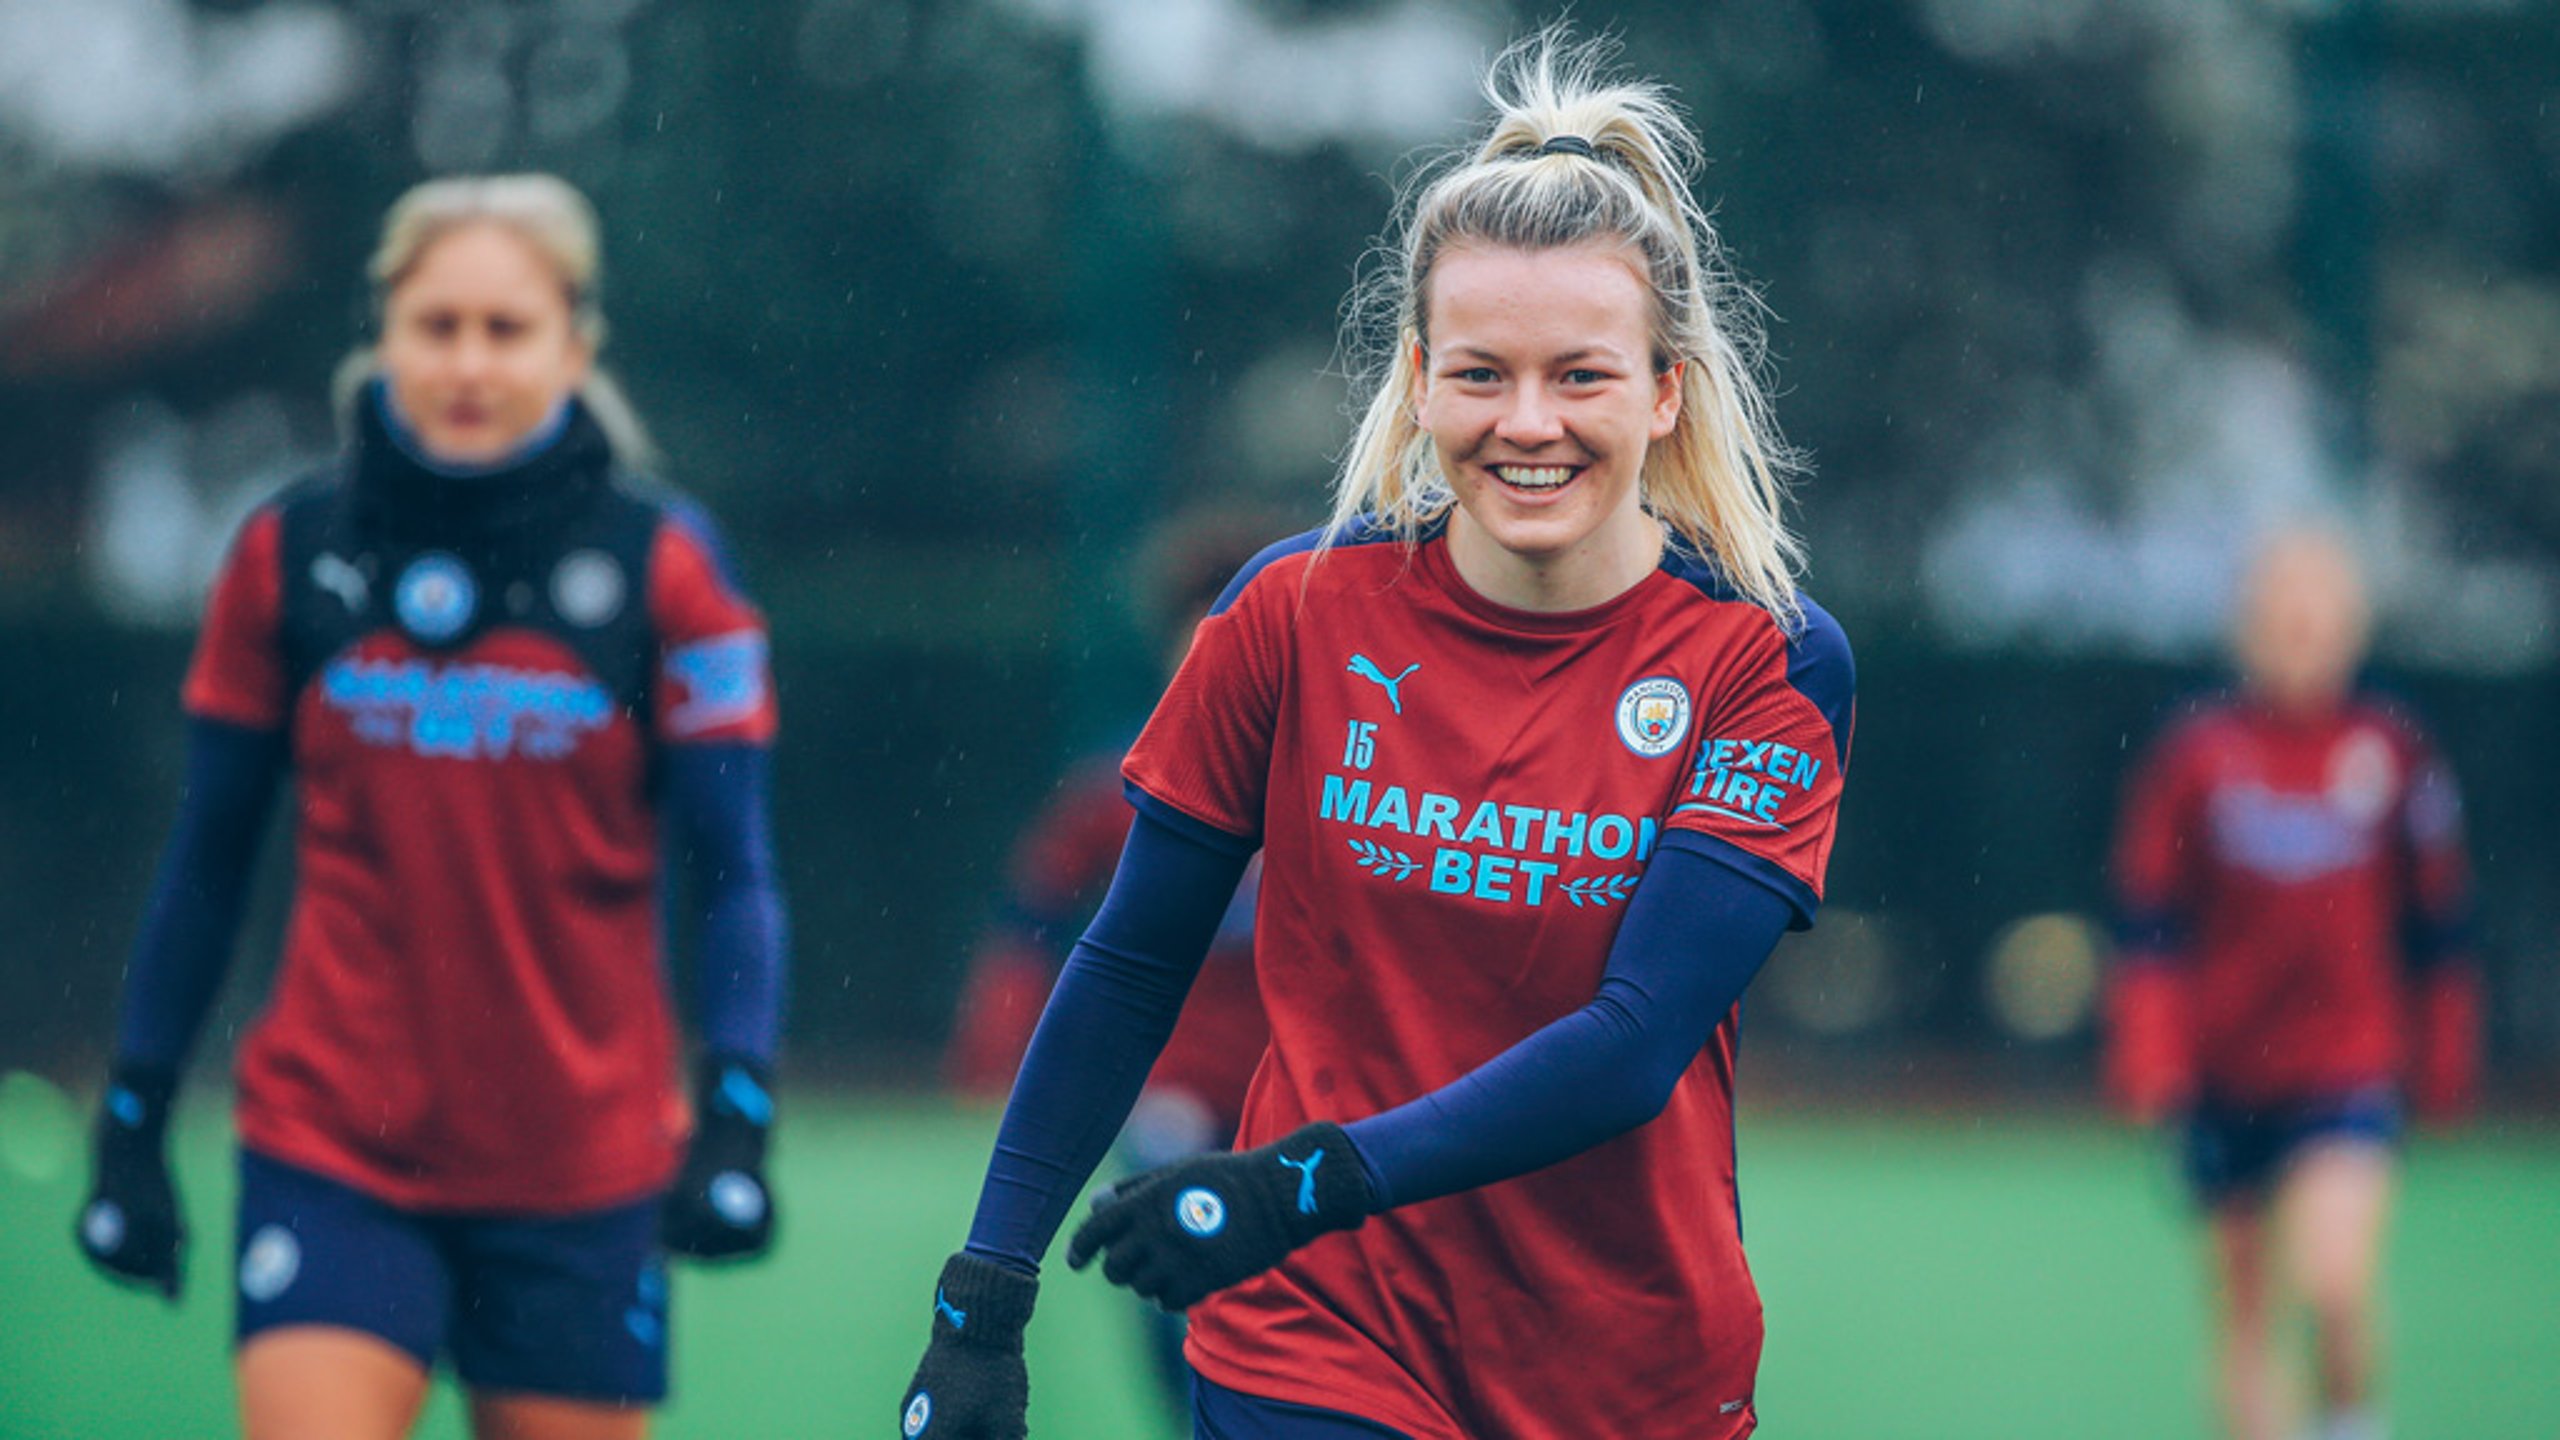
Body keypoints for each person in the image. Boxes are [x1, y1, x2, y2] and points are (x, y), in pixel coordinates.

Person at [897, 29, 1853, 1440]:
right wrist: (983, 1295)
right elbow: (1132, 951)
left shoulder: (1763, 657)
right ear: (1417, 383)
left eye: (1581, 375)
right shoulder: (1290, 612)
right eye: (1481, 374)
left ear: (1666, 390)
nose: (1528, 423)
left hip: (1624, 1358)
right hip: (1317, 1329)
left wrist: (1294, 1178)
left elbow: (1635, 1040)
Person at [72, 173, 789, 1440]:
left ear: (573, 344)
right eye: (435, 324)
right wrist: (134, 1115)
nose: (467, 362)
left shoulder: (666, 565)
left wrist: (735, 1107)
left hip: (583, 1169)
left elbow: (733, 869)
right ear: (385, 335)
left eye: (505, 329)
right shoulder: (285, 553)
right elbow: (208, 858)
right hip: (335, 1146)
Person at [2104, 530, 2479, 1440]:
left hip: (2347, 1067)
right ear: (2248, 626)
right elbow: (2148, 924)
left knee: (2335, 1282)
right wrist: (2151, 1065)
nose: (2300, 629)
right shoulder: (2196, 756)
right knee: (2244, 1318)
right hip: (2223, 1073)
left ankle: (2352, 1422)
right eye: (2281, 611)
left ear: (2353, 627)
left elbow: (2440, 926)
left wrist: (2446, 1058)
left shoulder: (2393, 753)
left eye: (2320, 612)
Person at [943, 510, 1278, 1415]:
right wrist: (996, 1037)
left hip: (1295, 1092)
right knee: (1181, 1292)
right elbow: (1032, 927)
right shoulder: (1115, 788)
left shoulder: (1342, 789)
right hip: (1175, 1091)